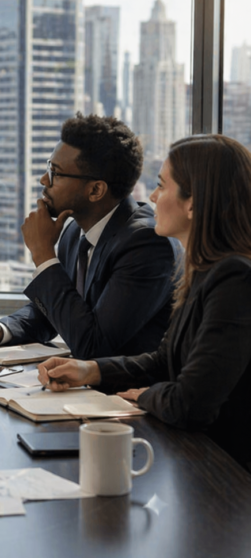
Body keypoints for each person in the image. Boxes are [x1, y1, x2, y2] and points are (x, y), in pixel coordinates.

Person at [39, 135, 251, 469]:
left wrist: (146, 395)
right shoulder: (204, 272)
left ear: (193, 203)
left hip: (226, 475)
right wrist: (90, 370)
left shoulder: (235, 279)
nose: (152, 198)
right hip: (193, 459)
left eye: (162, 187)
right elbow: (163, 362)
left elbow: (190, 404)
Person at [0, 114, 180, 359]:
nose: (44, 180)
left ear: (95, 190)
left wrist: (44, 256)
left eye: (55, 173)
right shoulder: (75, 231)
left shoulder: (147, 244)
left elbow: (93, 346)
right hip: (87, 388)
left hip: (132, 393)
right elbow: (53, 312)